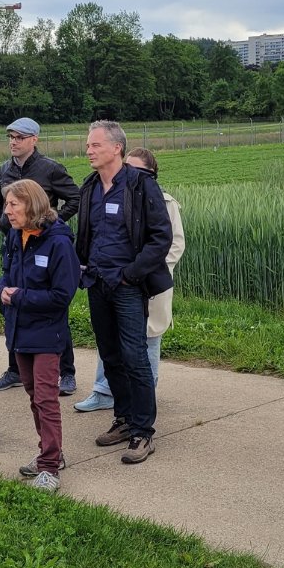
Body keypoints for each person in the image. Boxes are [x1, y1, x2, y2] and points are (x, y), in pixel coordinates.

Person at [76, 120, 172, 465]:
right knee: (110, 355)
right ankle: (125, 418)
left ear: (116, 148)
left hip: (127, 287)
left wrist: (131, 275)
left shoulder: (140, 185)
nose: (88, 150)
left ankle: (143, 432)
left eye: (95, 145)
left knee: (134, 357)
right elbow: (85, 235)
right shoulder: (89, 187)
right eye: (88, 145)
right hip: (97, 284)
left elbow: (161, 237)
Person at [75, 146, 185, 411]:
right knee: (111, 343)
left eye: (137, 169)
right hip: (112, 282)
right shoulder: (99, 190)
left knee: (144, 342)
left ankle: (144, 399)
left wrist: (139, 271)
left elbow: (172, 244)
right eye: (128, 167)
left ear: (150, 173)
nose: (130, 173)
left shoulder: (163, 200)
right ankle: (106, 393)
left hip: (147, 282)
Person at [0, 179, 80, 490]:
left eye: (13, 205)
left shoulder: (58, 243)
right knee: (34, 396)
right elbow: (6, 272)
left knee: (46, 398)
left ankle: (49, 467)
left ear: (31, 205)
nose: (7, 211)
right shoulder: (15, 235)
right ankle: (50, 451)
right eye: (6, 205)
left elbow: (62, 295)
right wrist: (1, 290)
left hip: (47, 334)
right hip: (20, 331)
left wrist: (18, 297)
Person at [0, 117, 81, 396]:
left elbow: (75, 198)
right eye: (11, 137)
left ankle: (66, 371)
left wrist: (53, 221)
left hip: (44, 246)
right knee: (12, 306)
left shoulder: (50, 168)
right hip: (15, 244)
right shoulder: (4, 169)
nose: (13, 142)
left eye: (19, 137)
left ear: (34, 140)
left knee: (52, 313)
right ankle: (15, 369)